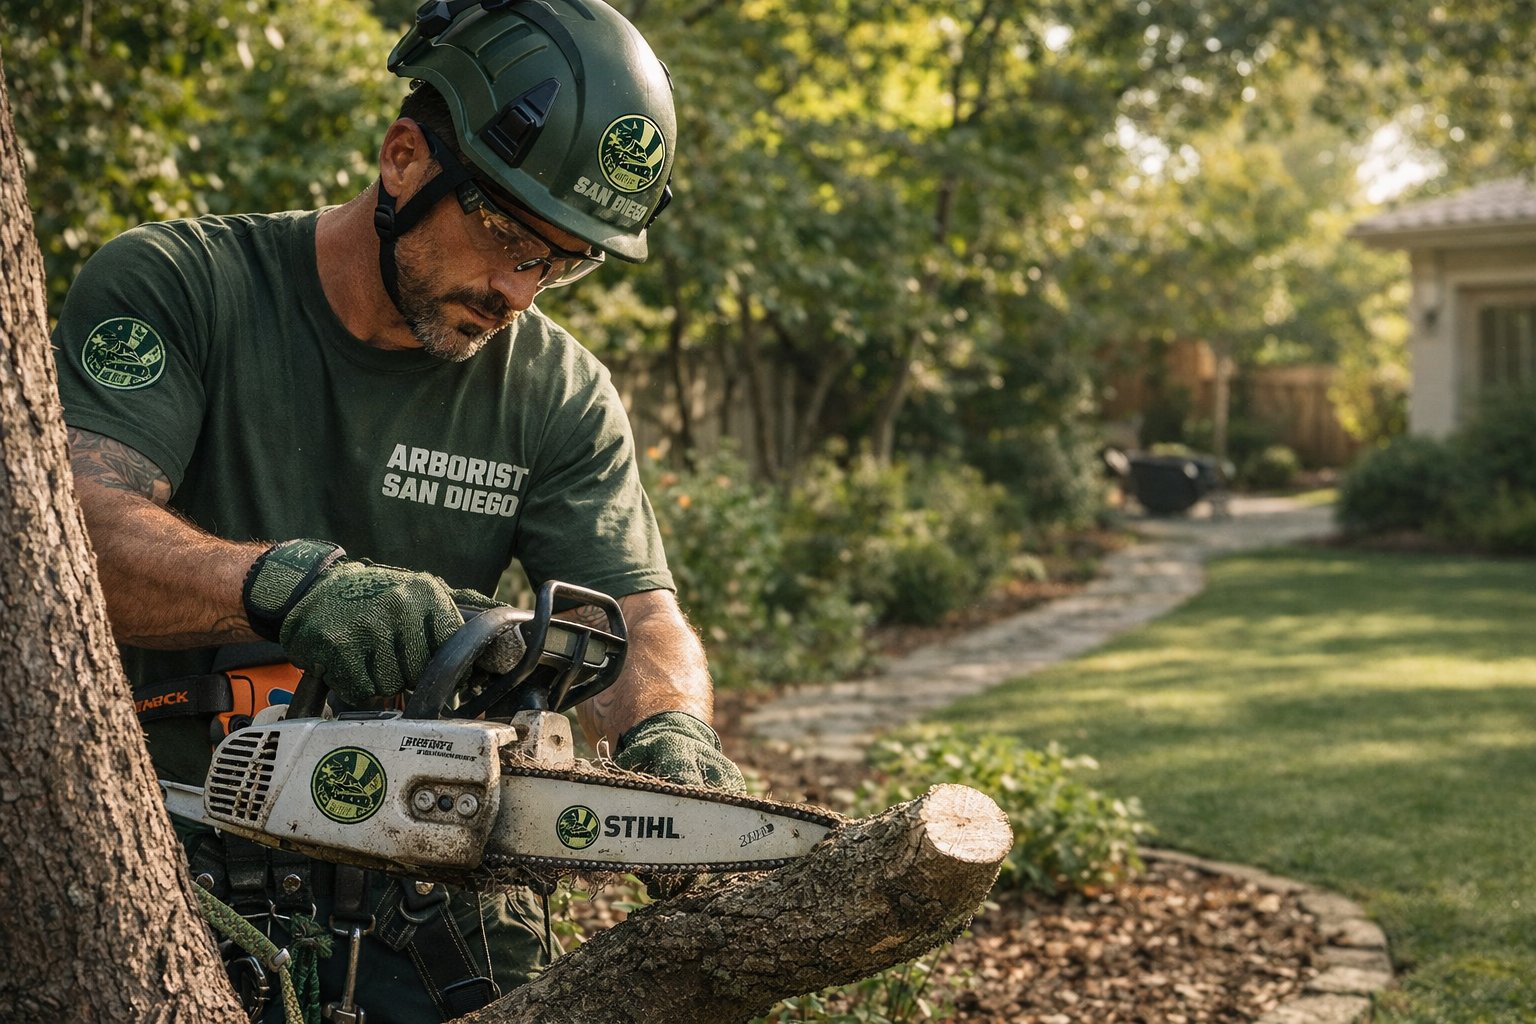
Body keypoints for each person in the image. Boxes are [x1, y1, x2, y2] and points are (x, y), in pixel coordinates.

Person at [49, 0, 745, 1019]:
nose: (520, 287)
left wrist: (668, 727)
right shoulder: (183, 286)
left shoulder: (556, 390)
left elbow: (633, 612)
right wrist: (291, 588)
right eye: (506, 231)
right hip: (176, 842)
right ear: (406, 158)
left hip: (430, 870)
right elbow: (71, 541)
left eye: (561, 260)